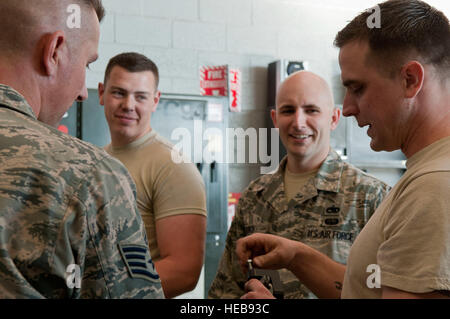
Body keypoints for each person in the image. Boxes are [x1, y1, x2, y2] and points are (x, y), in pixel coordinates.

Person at [237, 0, 450, 299]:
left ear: (410, 80)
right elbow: (365, 290)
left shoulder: (433, 187)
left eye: (357, 88)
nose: (348, 108)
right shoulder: (427, 177)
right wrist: (298, 256)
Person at [0, 0, 164, 299]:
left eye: (140, 96)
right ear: (54, 51)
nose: (80, 92)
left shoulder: (165, 166)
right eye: (86, 64)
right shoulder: (90, 174)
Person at [208, 70, 390, 299]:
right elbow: (227, 291)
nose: (298, 122)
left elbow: (382, 293)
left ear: (333, 118)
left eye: (311, 110)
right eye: (288, 111)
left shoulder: (371, 197)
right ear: (275, 119)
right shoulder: (255, 197)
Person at [98, 52, 207, 298]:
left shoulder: (173, 167)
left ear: (155, 100)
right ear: (101, 93)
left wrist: (103, 290)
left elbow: (183, 271)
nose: (128, 105)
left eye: (141, 97)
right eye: (119, 92)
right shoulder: (98, 159)